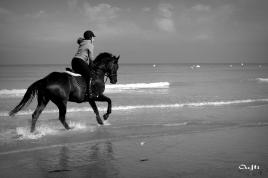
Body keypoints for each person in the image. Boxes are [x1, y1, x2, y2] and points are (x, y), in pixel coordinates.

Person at [71, 30, 96, 99]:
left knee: (81, 76)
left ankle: (79, 89)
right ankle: (88, 93)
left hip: (74, 61)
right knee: (89, 75)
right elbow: (91, 59)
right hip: (80, 61)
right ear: (91, 37)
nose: (94, 39)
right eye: (93, 37)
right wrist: (92, 66)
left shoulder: (82, 42)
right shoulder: (90, 45)